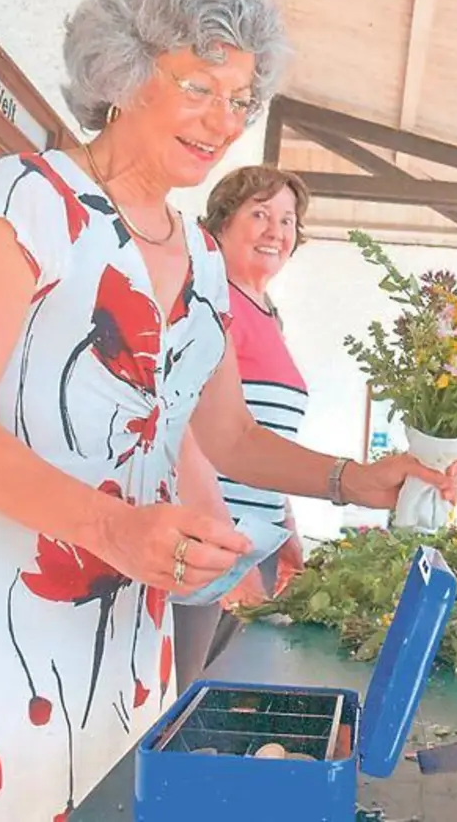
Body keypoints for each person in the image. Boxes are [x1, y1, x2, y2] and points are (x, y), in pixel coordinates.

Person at [0, 0, 456, 819]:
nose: (226, 123)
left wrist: (354, 481)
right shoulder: (30, 198)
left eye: (243, 101)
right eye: (201, 87)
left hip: (127, 636)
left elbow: (231, 436)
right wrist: (111, 527)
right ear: (126, 75)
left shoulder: (205, 260)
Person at [172, 164, 313, 684]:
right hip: (210, 545)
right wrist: (228, 551)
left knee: (218, 701)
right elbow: (181, 426)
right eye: (260, 214)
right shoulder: (213, 302)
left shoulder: (266, 313)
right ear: (222, 223)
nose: (276, 230)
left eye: (288, 219)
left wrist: (287, 528)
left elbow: (266, 439)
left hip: (254, 542)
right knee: (184, 707)